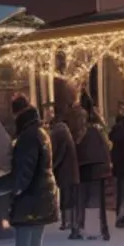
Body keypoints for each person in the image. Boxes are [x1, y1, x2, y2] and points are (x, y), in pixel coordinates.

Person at [10, 96, 59, 246]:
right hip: (44, 199)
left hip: (29, 203)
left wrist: (14, 191)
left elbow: (24, 172)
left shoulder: (27, 137)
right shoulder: (41, 133)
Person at [74, 93, 111, 241]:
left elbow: (77, 144)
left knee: (84, 197)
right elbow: (107, 145)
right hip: (99, 166)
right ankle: (99, 228)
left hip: (85, 166)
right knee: (96, 198)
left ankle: (85, 227)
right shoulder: (99, 126)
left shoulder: (80, 124)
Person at [43, 102, 80, 238]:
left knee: (67, 197)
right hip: (70, 171)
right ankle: (69, 221)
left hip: (65, 172)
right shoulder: (65, 132)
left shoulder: (59, 133)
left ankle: (68, 221)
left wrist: (53, 166)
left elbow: (58, 153)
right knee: (69, 196)